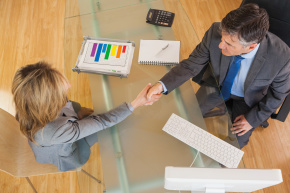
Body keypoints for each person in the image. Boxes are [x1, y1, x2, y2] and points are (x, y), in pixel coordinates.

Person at [147, 3, 290, 148]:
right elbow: (191, 64)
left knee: (232, 148)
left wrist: (252, 119)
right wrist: (161, 85)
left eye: (228, 44)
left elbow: (277, 95)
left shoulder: (282, 58)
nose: (221, 45)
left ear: (251, 46)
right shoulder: (215, 30)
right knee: (186, 119)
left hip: (249, 100)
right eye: (222, 38)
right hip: (217, 84)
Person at [12, 61, 160, 172]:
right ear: (48, 102)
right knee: (120, 130)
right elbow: (103, 121)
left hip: (61, 129)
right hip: (67, 154)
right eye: (62, 87)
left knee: (113, 120)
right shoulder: (55, 131)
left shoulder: (28, 101)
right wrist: (135, 103)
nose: (69, 85)